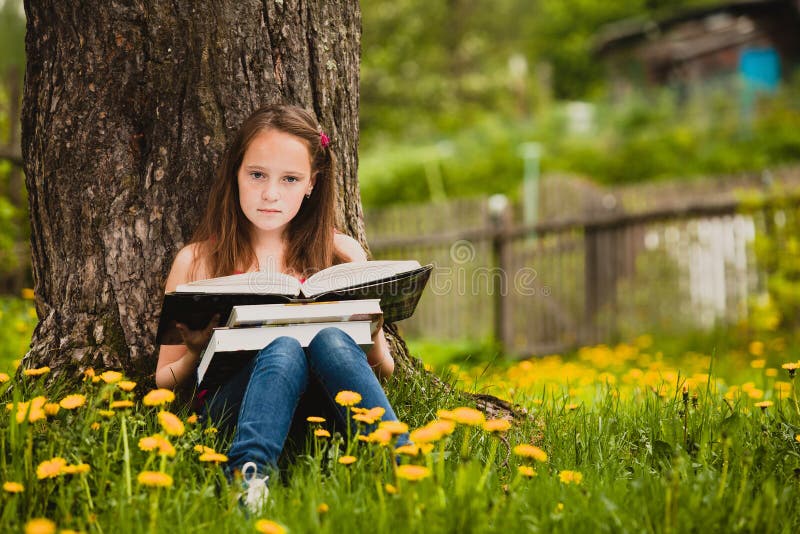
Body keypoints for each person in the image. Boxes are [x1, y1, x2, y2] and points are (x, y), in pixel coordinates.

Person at [154, 104, 407, 511]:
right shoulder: (197, 261)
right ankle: (249, 480)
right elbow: (164, 380)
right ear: (235, 173)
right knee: (284, 348)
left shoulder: (340, 252)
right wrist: (198, 352)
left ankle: (401, 463)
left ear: (312, 184)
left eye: (290, 179)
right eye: (257, 175)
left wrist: (372, 331)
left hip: (323, 406)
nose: (271, 193)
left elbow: (385, 370)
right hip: (232, 408)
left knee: (330, 339)